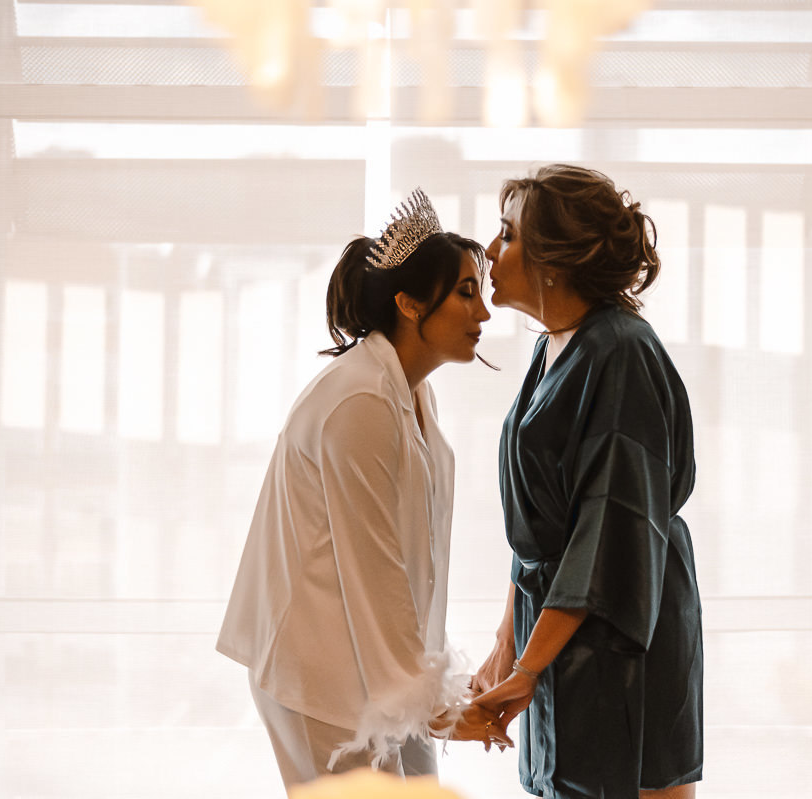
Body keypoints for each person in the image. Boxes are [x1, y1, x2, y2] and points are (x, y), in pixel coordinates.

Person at [217, 189, 510, 790]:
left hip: (376, 668)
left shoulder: (412, 392)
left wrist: (432, 695)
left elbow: (412, 563)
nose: (484, 313)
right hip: (322, 677)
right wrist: (436, 708)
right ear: (408, 303)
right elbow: (372, 566)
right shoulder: (359, 400)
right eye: (465, 292)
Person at [471, 165, 703, 799]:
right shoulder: (554, 345)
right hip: (556, 622)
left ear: (554, 261)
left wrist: (529, 663)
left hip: (622, 626)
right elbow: (541, 528)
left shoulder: (620, 351)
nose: (490, 250)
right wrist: (508, 640)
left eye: (507, 234)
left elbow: (609, 531)